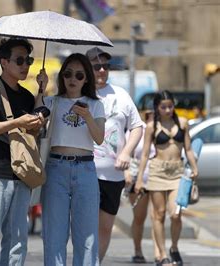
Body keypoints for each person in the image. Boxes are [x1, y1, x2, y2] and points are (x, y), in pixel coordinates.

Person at [0, 38, 46, 266]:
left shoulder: (25, 96)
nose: (26, 65)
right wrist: (14, 123)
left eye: (29, 60)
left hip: (20, 173)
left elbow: (30, 129)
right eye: (20, 60)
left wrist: (41, 91)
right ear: (4, 62)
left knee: (17, 238)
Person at [40, 53, 105, 266]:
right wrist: (40, 88)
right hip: (56, 167)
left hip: (85, 168)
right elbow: (33, 118)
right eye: (68, 74)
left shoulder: (95, 104)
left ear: (86, 78)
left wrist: (86, 117)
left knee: (87, 236)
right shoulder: (52, 101)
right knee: (53, 235)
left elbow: (99, 137)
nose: (73, 79)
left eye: (79, 75)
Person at [85, 47, 144, 262]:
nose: (102, 70)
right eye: (96, 66)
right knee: (84, 226)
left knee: (106, 228)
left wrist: (127, 153)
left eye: (106, 66)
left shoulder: (120, 95)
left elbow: (137, 126)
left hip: (113, 175)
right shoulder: (79, 93)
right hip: (85, 171)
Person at [135, 90, 199, 266]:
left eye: (170, 106)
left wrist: (194, 167)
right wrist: (140, 179)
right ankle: (162, 254)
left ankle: (174, 247)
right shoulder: (151, 127)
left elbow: (189, 148)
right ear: (157, 107)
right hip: (157, 171)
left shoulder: (183, 123)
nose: (168, 109)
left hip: (177, 172)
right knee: (159, 214)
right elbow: (145, 153)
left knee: (176, 213)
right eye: (164, 107)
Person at [124, 110, 160, 263]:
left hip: (159, 178)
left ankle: (159, 253)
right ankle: (138, 250)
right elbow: (125, 151)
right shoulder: (138, 130)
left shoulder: (163, 130)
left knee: (157, 216)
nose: (153, 115)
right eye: (149, 113)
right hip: (139, 179)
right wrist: (126, 173)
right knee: (139, 217)